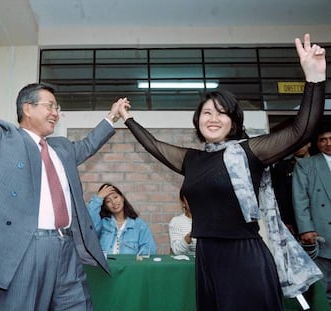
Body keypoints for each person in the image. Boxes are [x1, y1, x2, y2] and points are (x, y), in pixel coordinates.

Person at [116, 34, 326, 310]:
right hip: (206, 258)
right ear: (197, 120)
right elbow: (154, 146)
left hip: (245, 258)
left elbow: (302, 130)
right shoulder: (192, 159)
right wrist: (127, 118)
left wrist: (314, 78)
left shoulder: (251, 152)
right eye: (207, 113)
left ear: (233, 121)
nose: (213, 118)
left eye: (222, 113)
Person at [0, 46, 128, 311]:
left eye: (57, 107)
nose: (55, 112)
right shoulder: (6, 140)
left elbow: (88, 144)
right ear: (27, 108)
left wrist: (112, 117)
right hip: (27, 248)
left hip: (67, 247)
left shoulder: (61, 148)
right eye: (49, 105)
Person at [293, 121, 331, 303]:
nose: (328, 143)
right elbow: (300, 199)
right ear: (316, 143)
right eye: (323, 140)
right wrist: (305, 228)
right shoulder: (306, 165)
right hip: (321, 234)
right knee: (323, 289)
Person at [87, 183, 156, 256]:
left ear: (122, 198)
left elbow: (149, 251)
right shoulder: (102, 224)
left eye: (115, 197)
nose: (113, 202)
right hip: (105, 266)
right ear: (106, 206)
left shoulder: (140, 225)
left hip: (130, 266)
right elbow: (88, 225)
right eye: (108, 201)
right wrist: (98, 198)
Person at [271, 142, 311, 236]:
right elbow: (281, 196)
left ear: (309, 143)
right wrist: (286, 221)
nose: (299, 146)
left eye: (302, 142)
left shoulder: (321, 163)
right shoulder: (282, 167)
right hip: (295, 218)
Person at [169, 189, 196, 256]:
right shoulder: (176, 222)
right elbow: (176, 251)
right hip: (186, 264)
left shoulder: (210, 221)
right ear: (183, 203)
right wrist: (188, 238)